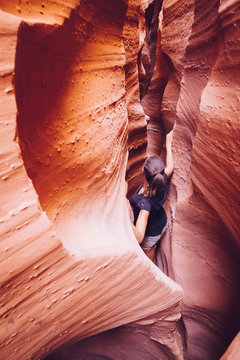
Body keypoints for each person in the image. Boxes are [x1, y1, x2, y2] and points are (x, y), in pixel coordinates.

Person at [130, 130, 174, 262]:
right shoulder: (163, 178)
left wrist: (123, 218)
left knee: (149, 259)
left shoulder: (145, 205)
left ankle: (153, 260)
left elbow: (139, 237)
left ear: (142, 171)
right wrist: (168, 142)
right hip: (161, 221)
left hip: (152, 234)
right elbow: (171, 165)